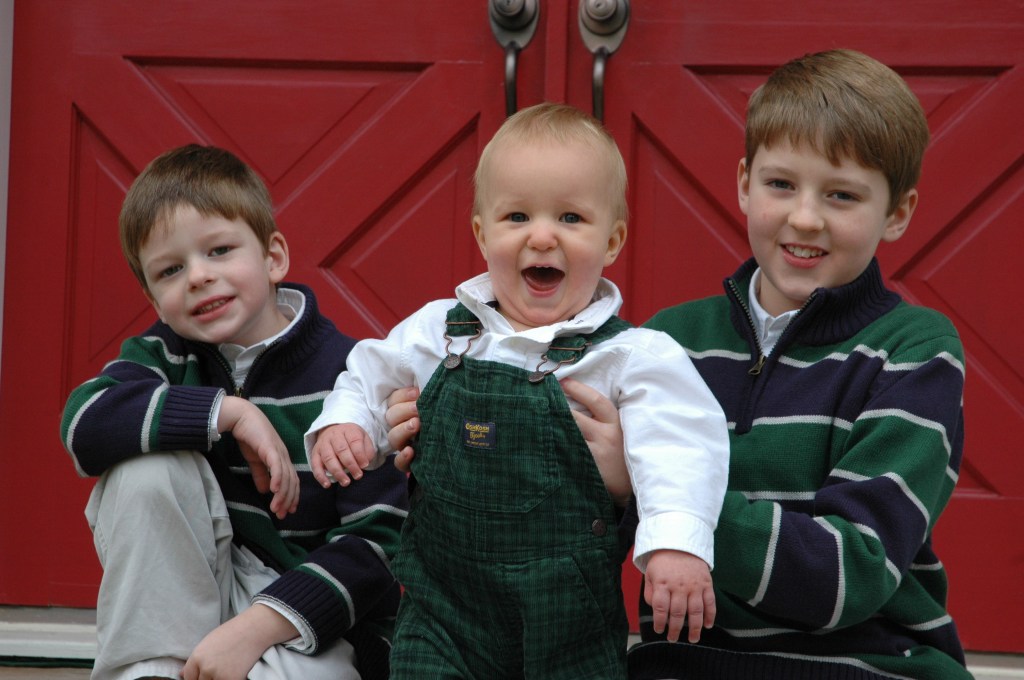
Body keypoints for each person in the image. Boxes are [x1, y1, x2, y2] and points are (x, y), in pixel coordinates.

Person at [387, 49, 972, 680]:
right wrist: (456, 437)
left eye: (842, 195)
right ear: (745, 182)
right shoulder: (665, 343)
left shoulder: (913, 352)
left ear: (899, 213)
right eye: (781, 184)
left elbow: (847, 573)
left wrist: (644, 484)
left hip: (864, 663)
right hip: (683, 661)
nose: (805, 217)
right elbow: (567, 533)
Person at [304, 102, 730, 679]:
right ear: (481, 233)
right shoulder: (438, 331)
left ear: (613, 240)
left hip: (568, 620)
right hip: (444, 608)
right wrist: (348, 424)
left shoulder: (632, 356)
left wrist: (676, 543)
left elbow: (681, 447)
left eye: (572, 218)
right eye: (517, 217)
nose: (543, 235)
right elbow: (369, 376)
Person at [60, 144, 408, 680]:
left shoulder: (353, 376)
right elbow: (85, 425)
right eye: (171, 269)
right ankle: (150, 667)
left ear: (273, 258)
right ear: (154, 299)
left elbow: (378, 542)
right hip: (185, 592)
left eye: (219, 251)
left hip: (302, 616)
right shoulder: (165, 355)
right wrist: (230, 412)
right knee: (143, 468)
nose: (198, 276)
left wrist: (257, 626)